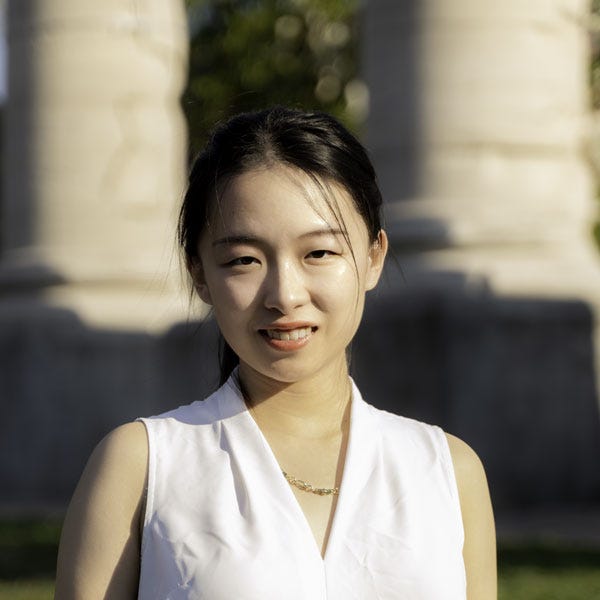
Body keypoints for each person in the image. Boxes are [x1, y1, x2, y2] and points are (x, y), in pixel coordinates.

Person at [55, 107, 496, 599]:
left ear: (373, 257)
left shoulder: (448, 471)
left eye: (319, 253)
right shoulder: (141, 464)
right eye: (244, 260)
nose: (284, 295)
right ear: (199, 273)